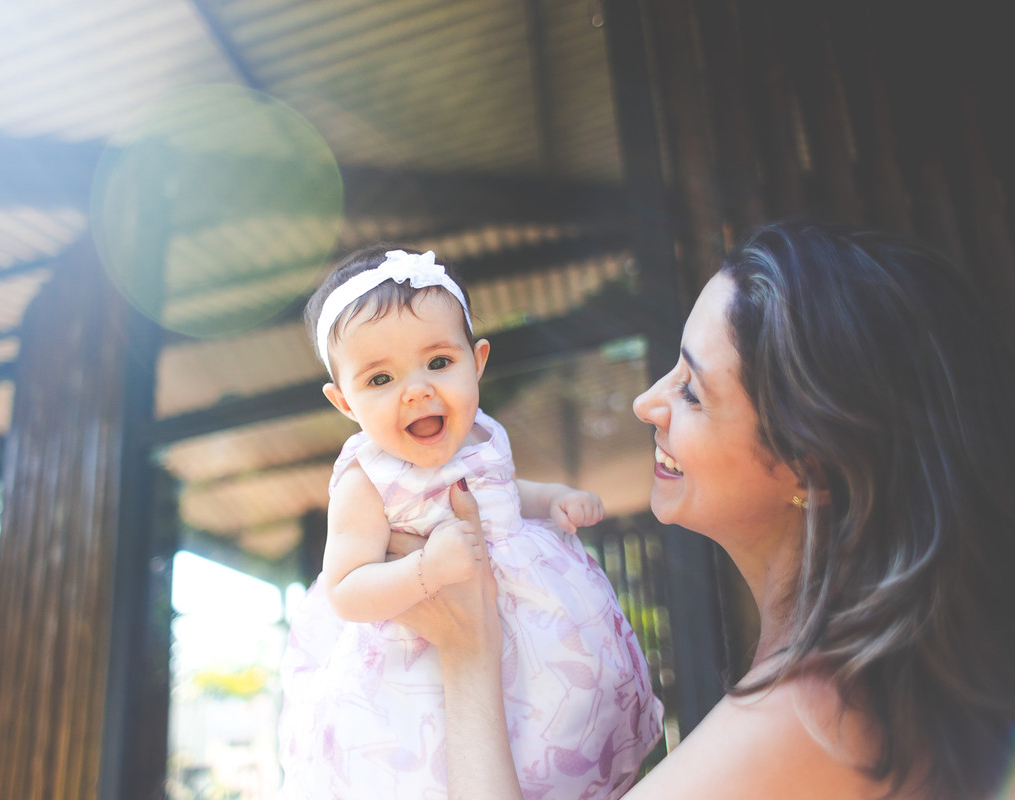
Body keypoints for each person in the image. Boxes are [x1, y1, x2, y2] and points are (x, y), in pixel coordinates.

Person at [396, 221, 1015, 800]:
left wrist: (468, 649)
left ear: (813, 466)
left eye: (691, 391)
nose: (646, 403)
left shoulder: (812, 717)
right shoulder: (850, 692)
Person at [278, 246, 663, 800]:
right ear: (344, 403)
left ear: (476, 362)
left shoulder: (483, 434)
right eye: (380, 378)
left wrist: (552, 498)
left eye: (438, 363)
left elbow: (504, 494)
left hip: (535, 632)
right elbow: (345, 589)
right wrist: (426, 572)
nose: (417, 389)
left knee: (561, 729)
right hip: (422, 663)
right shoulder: (366, 479)